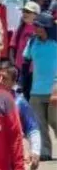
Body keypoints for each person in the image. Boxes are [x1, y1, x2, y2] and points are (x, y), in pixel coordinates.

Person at [21, 12, 57, 160]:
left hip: (54, 89)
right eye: (36, 25)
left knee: (55, 120)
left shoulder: (55, 42)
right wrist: (23, 83)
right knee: (39, 123)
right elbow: (25, 62)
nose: (36, 28)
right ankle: (45, 152)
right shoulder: (32, 42)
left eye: (40, 26)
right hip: (36, 90)